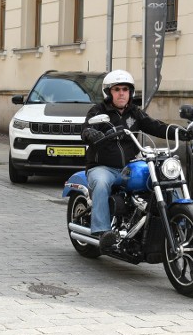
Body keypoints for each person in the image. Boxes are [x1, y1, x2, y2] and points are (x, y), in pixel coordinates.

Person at [80, 69, 187, 242]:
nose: (122, 93)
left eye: (125, 89)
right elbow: (85, 129)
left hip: (128, 167)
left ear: (130, 92)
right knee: (101, 183)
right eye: (117, 89)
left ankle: (179, 220)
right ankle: (102, 231)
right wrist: (91, 133)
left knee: (162, 178)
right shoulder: (98, 111)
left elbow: (155, 126)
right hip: (103, 167)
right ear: (109, 92)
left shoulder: (135, 112)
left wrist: (181, 133)